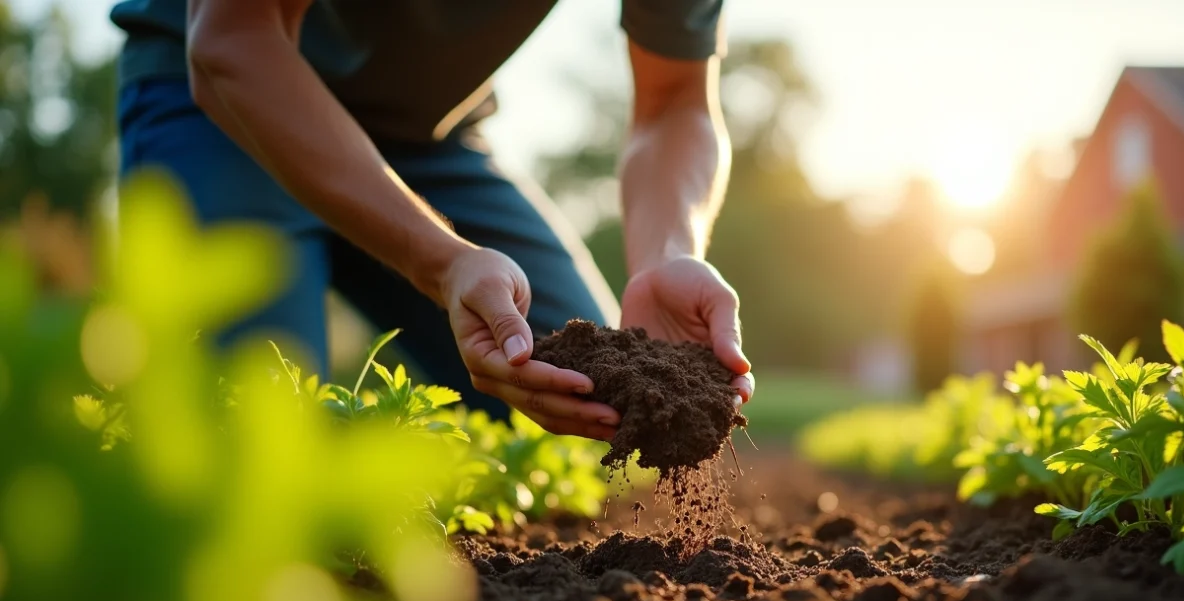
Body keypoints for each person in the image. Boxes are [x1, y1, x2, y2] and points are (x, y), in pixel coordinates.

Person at [111, 0, 754, 441]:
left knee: (597, 401)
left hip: (429, 137)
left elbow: (676, 99)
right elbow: (233, 39)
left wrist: (668, 251)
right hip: (225, 105)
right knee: (254, 438)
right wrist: (442, 261)